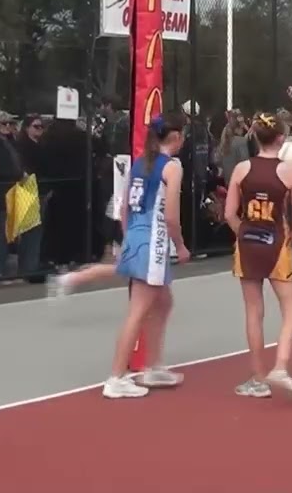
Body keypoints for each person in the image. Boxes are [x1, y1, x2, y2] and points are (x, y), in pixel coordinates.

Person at [101, 114, 191, 399]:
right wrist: (181, 245)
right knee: (139, 311)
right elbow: (172, 216)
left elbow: (124, 207)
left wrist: (129, 238)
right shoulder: (172, 167)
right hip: (153, 242)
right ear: (175, 138)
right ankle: (116, 377)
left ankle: (153, 365)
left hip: (138, 238)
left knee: (163, 303)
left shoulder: (140, 163)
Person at [224, 113, 292, 399]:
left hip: (247, 243)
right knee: (291, 311)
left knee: (253, 312)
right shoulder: (290, 171)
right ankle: (280, 366)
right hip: (276, 243)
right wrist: (290, 242)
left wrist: (243, 233)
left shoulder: (241, 169)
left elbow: (229, 214)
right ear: (282, 139)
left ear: (254, 136)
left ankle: (258, 378)